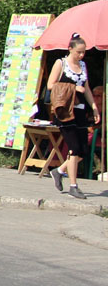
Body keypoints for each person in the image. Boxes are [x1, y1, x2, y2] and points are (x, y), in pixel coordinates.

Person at [46, 34, 101, 199]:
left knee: (83, 150)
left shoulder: (83, 65)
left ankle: (59, 170)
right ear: (70, 49)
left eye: (83, 52)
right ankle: (73, 185)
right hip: (65, 111)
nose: (81, 55)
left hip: (80, 111)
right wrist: (74, 88)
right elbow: (50, 85)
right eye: (79, 52)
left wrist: (94, 107)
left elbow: (87, 88)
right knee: (74, 148)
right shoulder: (60, 63)